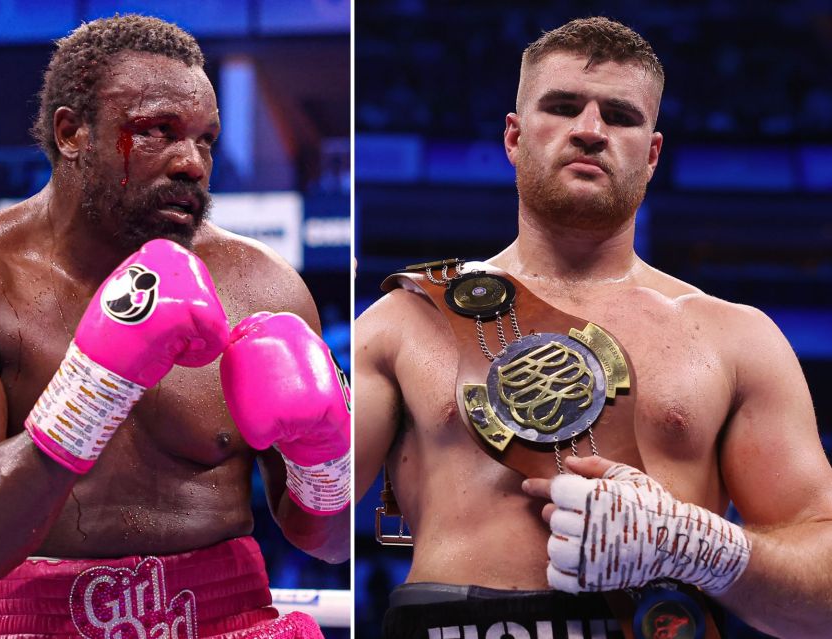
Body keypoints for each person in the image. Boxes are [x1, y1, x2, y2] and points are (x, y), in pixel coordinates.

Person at [355, 16, 832, 639]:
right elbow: (317, 528)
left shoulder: (735, 339)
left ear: (652, 152)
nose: (589, 130)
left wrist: (700, 547)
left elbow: (822, 598)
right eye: (561, 106)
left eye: (620, 115)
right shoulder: (406, 319)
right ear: (515, 136)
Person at [0, 15, 350, 639]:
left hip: (229, 617)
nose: (193, 164)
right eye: (158, 132)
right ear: (71, 133)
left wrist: (325, 463)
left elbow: (331, 544)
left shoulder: (261, 289)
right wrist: (89, 393)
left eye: (206, 139)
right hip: (32, 622)